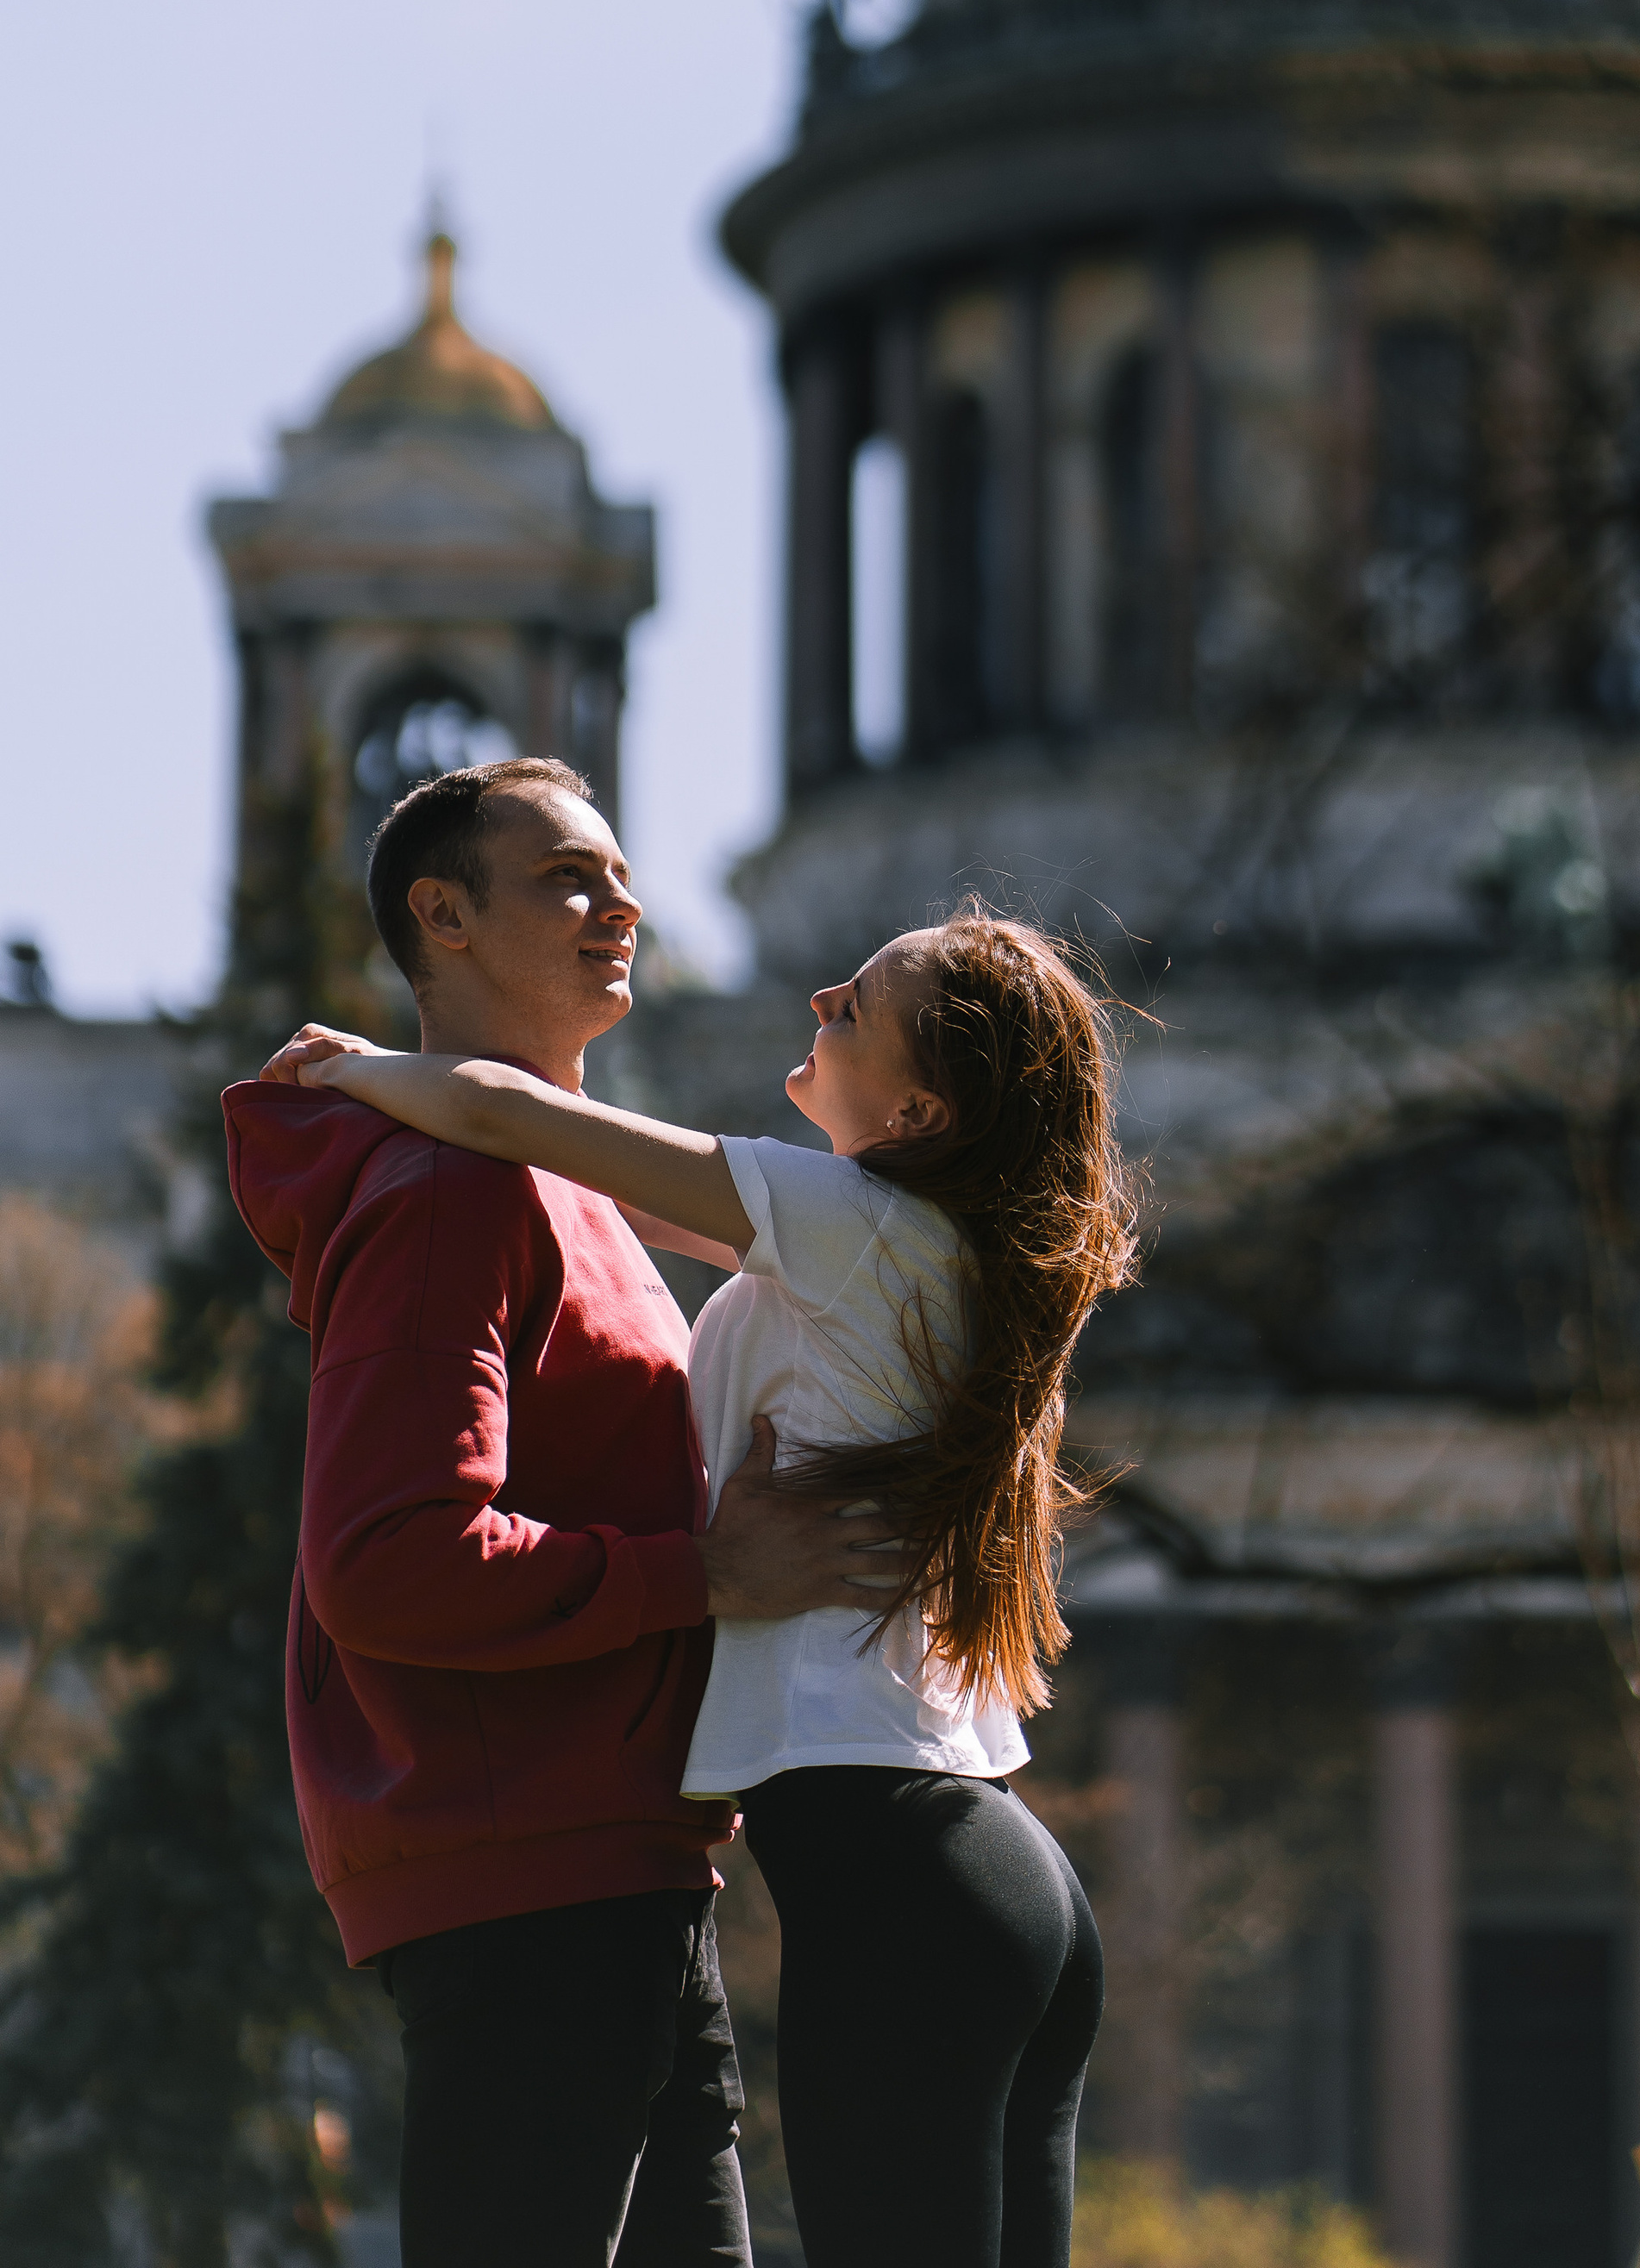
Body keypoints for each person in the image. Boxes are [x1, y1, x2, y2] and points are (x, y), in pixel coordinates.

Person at [266, 890, 1140, 2268]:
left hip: (905, 1889)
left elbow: (511, 1119)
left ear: (916, 1113)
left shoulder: (853, 1223)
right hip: (993, 1877)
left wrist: (355, 1072)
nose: (820, 1002)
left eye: (858, 1004)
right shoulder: (924, 1258)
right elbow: (597, 1197)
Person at [230, 755, 911, 2268]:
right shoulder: (448, 1195)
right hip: (531, 1876)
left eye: (620, 876)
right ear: (444, 917)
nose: (622, 906)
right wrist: (706, 1574)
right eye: (567, 879)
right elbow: (387, 1560)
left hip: (629, 1865)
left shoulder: (555, 1178)